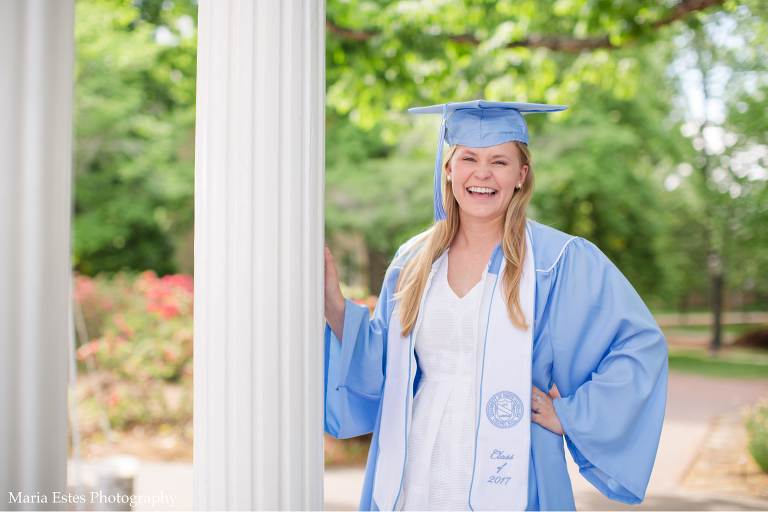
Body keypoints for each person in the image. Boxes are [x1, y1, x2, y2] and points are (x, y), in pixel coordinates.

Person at [323, 100, 668, 511]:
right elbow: (382, 362)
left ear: (521, 175)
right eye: (468, 158)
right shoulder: (413, 259)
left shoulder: (559, 260)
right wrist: (333, 306)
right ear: (448, 169)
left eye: (500, 162)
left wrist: (571, 414)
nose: (482, 173)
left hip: (513, 455)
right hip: (417, 452)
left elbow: (639, 344)